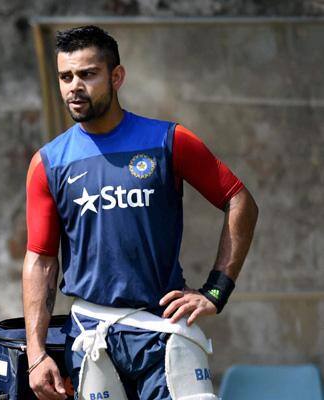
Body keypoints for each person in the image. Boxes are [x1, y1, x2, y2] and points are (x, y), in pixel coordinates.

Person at [22, 25, 258, 400]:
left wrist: (216, 290)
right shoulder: (48, 163)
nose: (74, 87)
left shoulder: (169, 140)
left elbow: (239, 200)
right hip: (91, 335)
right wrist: (36, 353)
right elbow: (41, 259)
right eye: (66, 76)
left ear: (116, 77)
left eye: (88, 74)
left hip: (163, 331)